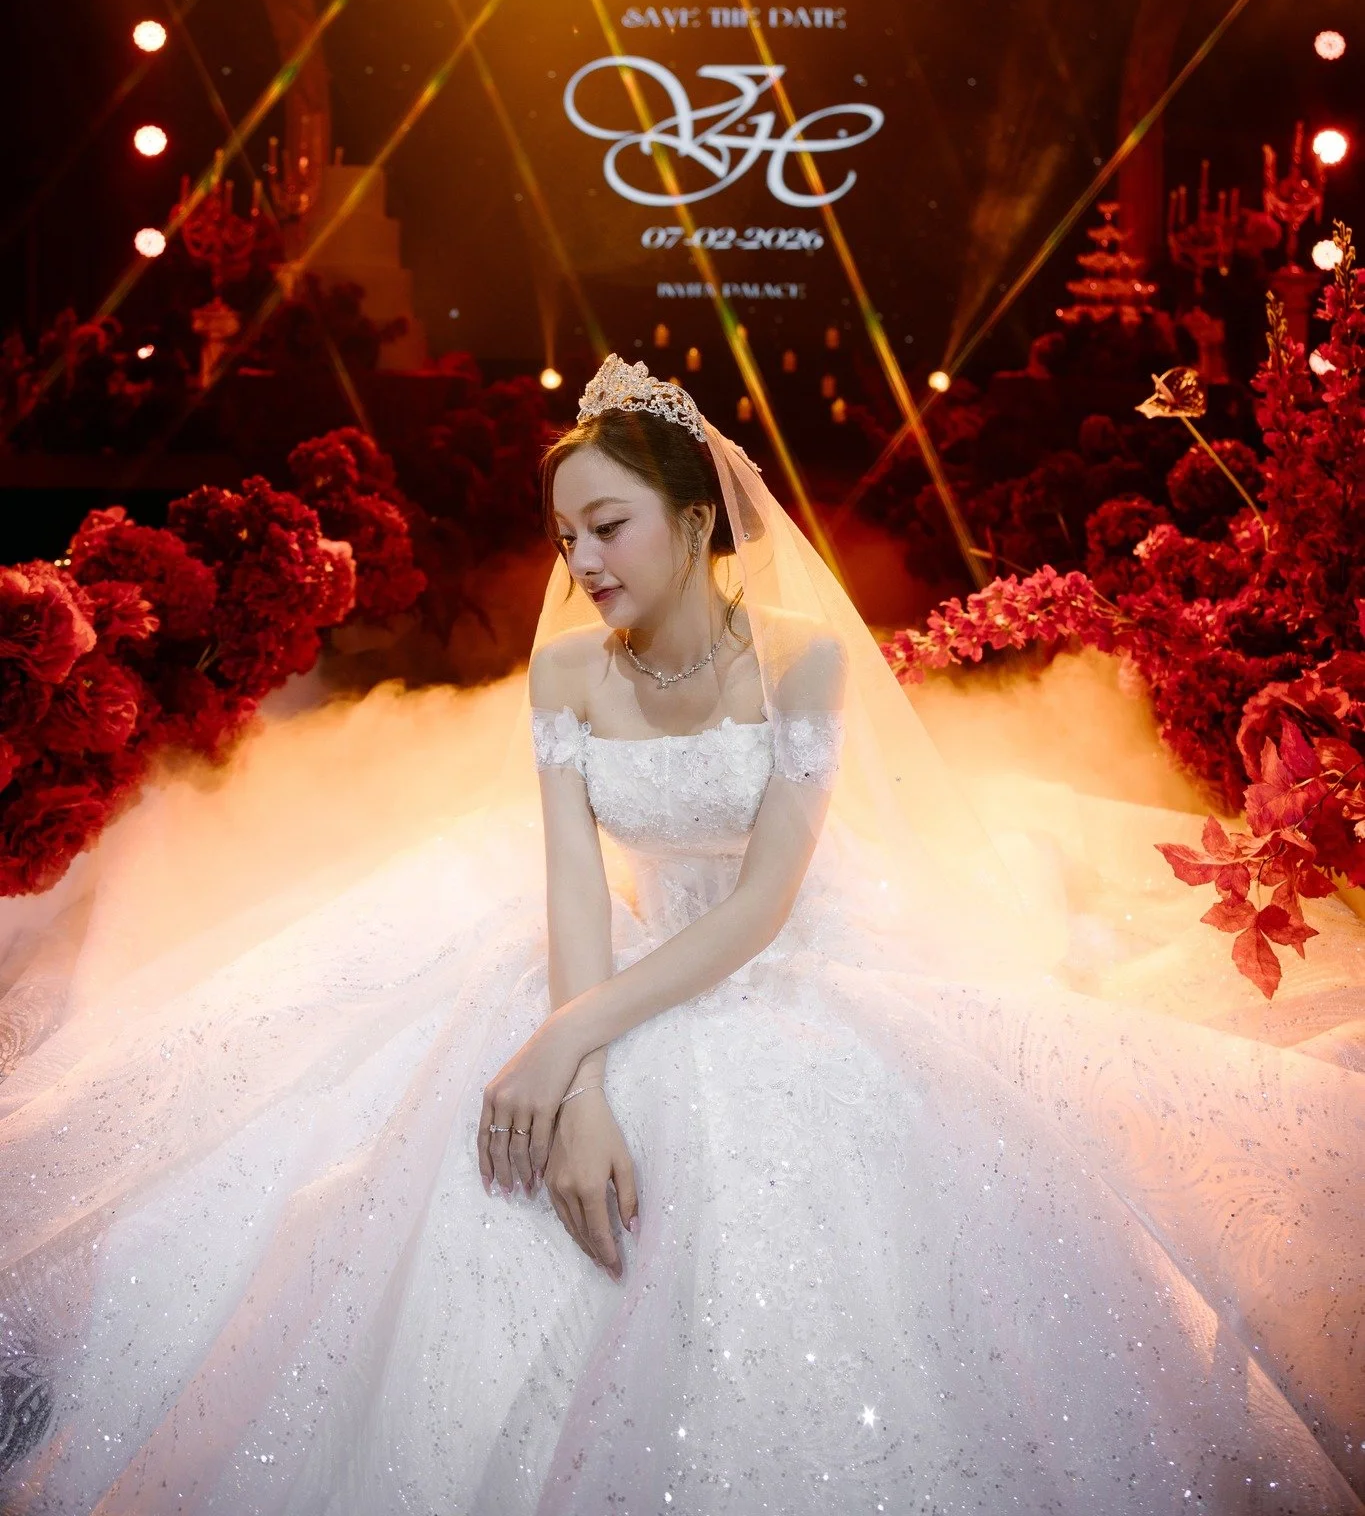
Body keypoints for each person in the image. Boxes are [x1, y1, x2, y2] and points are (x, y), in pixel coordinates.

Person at [0, 354, 1361, 1514]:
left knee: (814, 1118)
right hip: (622, 947)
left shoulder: (803, 660)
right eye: (565, 535)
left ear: (699, 515)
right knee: (484, 1151)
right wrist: (578, 1073)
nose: (581, 563)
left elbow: (770, 897)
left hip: (790, 955)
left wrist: (567, 1041)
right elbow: (576, 883)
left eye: (609, 527)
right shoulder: (566, 669)